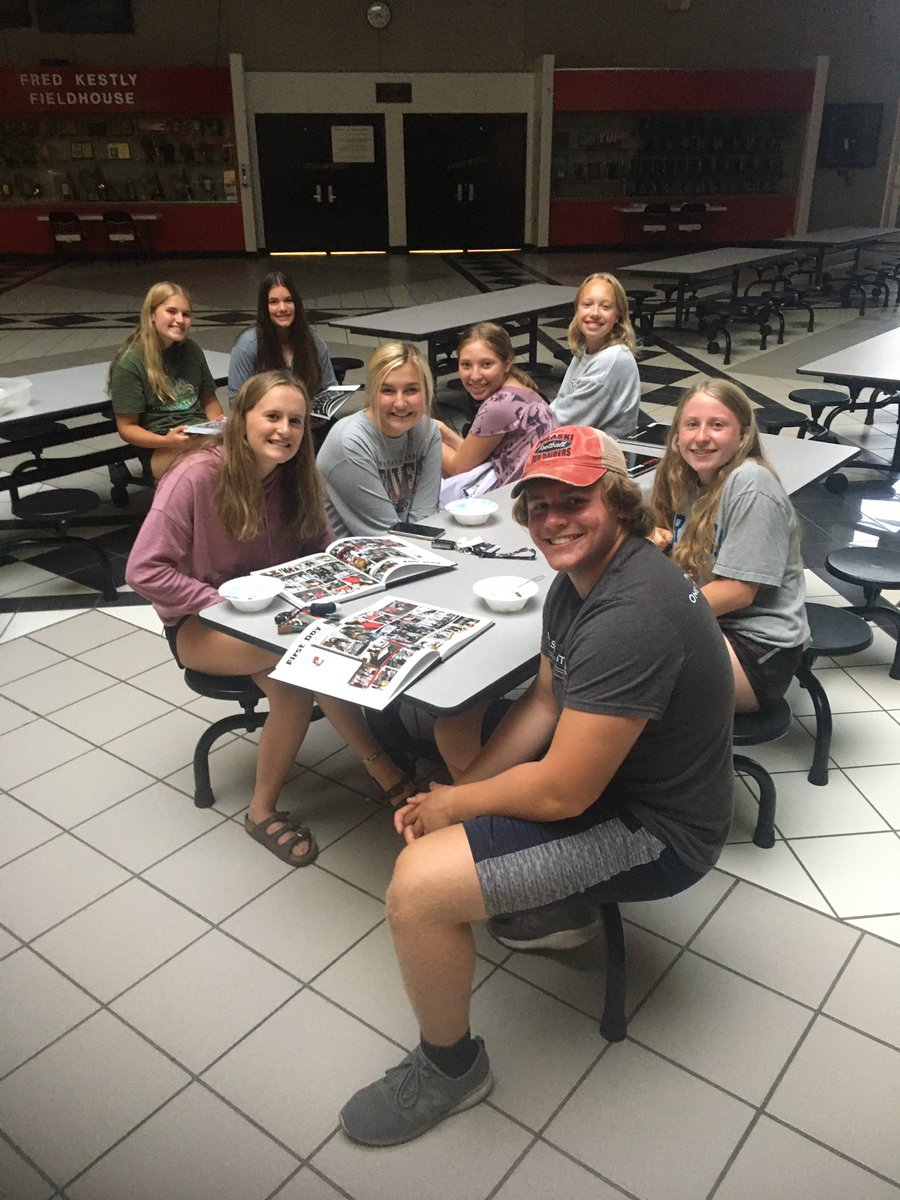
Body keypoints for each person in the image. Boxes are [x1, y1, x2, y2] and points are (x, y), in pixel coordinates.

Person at [339, 425, 735, 1146]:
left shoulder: (631, 613)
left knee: (418, 890)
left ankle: (451, 1068)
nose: (554, 520)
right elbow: (546, 700)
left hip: (660, 829)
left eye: (575, 501)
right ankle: (542, 902)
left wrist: (454, 802)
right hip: (615, 782)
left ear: (618, 503)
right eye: (540, 505)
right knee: (462, 742)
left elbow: (562, 795)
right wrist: (462, 795)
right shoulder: (577, 585)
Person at [125, 370, 416, 867]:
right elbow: (142, 570)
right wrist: (218, 600)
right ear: (242, 420)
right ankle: (266, 810)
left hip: (278, 618)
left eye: (296, 421)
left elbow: (321, 547)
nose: (285, 430)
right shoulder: (195, 476)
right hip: (203, 624)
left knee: (319, 650)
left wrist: (357, 572)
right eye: (273, 416)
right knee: (303, 670)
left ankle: (381, 766)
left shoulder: (296, 476)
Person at [651, 379, 808, 713]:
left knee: (627, 667)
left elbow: (738, 592)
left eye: (717, 425)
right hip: (714, 625)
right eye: (691, 424)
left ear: (743, 435)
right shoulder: (685, 478)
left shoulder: (751, 483)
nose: (701, 436)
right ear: (677, 435)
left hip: (757, 648)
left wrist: (654, 617)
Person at [316, 341, 441, 538]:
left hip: (409, 545)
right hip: (359, 551)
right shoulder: (350, 442)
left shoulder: (429, 432)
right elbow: (387, 535)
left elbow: (425, 520)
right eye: (388, 390)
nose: (400, 403)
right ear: (372, 392)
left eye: (411, 390)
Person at [108, 281, 224, 480]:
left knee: (252, 453)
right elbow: (127, 428)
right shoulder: (130, 363)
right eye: (171, 311)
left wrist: (216, 425)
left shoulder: (191, 350)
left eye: (186, 314)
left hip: (199, 435)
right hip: (160, 445)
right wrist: (167, 441)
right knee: (208, 468)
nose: (180, 320)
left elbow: (209, 401)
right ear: (152, 315)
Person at [437, 323, 558, 503]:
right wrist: (443, 431)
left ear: (507, 363)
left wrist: (424, 433)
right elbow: (472, 455)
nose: (475, 375)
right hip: (538, 494)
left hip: (516, 503)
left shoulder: (500, 405)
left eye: (486, 364)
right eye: (466, 365)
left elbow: (458, 469)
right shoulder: (522, 391)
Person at [550, 272, 641, 439]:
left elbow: (565, 422)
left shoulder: (612, 359)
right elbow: (562, 402)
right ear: (577, 310)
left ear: (617, 315)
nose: (595, 313)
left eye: (605, 306)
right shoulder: (586, 349)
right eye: (587, 304)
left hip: (602, 453)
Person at [228, 270, 337, 400]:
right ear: (264, 308)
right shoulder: (247, 346)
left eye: (288, 300)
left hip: (309, 412)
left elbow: (331, 390)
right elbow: (236, 400)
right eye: (273, 302)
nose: (282, 308)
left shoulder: (314, 342)